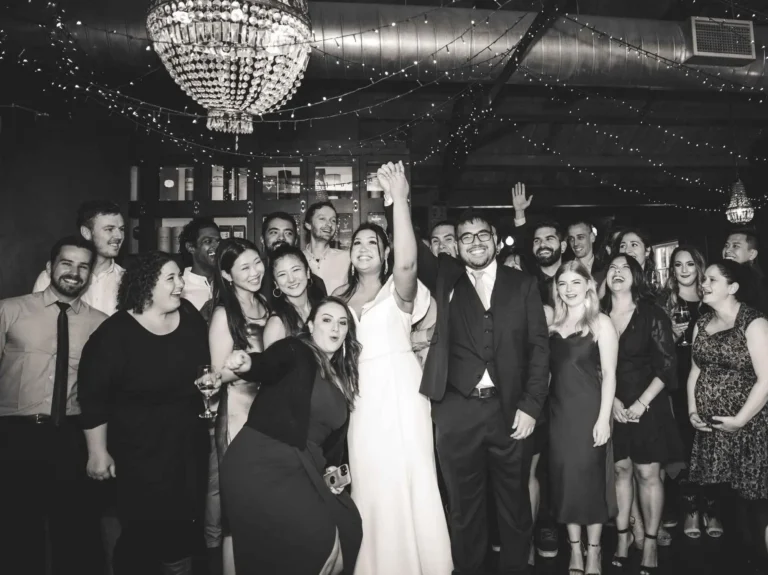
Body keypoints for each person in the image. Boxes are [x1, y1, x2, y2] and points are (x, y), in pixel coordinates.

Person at [417, 201, 550, 574]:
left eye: (481, 235)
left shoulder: (523, 285)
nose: (475, 242)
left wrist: (531, 406)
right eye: (465, 238)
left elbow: (539, 348)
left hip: (510, 412)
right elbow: (411, 254)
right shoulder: (445, 276)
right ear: (455, 247)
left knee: (515, 506)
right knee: (464, 509)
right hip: (457, 412)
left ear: (494, 239)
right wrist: (397, 199)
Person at [333, 162, 452, 575]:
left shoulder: (399, 290)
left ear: (384, 252)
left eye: (372, 243)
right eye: (356, 243)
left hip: (403, 394)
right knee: (370, 480)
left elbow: (407, 263)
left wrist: (400, 199)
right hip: (360, 400)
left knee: (412, 476)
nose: (363, 247)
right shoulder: (337, 298)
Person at [78, 251, 210, 575]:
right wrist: (97, 452)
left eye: (180, 276)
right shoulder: (113, 335)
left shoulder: (190, 316)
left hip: (187, 446)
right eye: (172, 278)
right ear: (147, 285)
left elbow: (202, 366)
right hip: (137, 452)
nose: (181, 284)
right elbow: (92, 397)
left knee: (184, 526)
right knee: (142, 531)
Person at [219, 297, 364, 574]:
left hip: (304, 464)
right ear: (310, 325)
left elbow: (332, 439)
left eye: (342, 322)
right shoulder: (297, 350)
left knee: (347, 528)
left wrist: (332, 469)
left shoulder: (341, 376)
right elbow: (271, 363)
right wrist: (247, 362)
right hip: (263, 458)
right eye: (326, 319)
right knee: (317, 542)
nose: (335, 327)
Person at [0, 236, 106, 575]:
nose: (74, 272)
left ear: (89, 274)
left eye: (83, 266)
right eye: (66, 263)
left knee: (75, 533)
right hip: (14, 436)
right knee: (16, 531)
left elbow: (101, 390)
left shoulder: (101, 324)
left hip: (71, 437)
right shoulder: (9, 310)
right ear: (49, 268)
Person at [602, 254, 683, 575]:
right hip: (613, 407)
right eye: (611, 269)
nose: (617, 272)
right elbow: (592, 367)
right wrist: (612, 404)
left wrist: (639, 403)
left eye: (624, 268)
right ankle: (623, 539)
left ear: (636, 276)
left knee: (648, 475)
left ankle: (649, 542)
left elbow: (667, 366)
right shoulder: (598, 316)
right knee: (620, 473)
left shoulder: (652, 314)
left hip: (649, 406)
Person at [687, 260, 768, 567]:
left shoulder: (754, 322)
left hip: (751, 426)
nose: (703, 283)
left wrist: (739, 421)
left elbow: (766, 379)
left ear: (732, 288)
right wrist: (693, 409)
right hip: (714, 429)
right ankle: (739, 561)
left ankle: (759, 562)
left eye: (712, 279)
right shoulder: (703, 322)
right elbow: (695, 371)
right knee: (726, 499)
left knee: (755, 500)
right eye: (703, 278)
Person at [546, 261, 618, 575]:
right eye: (563, 283)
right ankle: (575, 550)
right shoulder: (551, 323)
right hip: (558, 416)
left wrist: (603, 420)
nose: (570, 289)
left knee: (590, 482)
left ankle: (595, 552)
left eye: (576, 282)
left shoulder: (601, 322)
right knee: (565, 482)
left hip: (591, 412)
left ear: (588, 285)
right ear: (557, 289)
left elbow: (611, 376)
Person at [207, 238, 270, 575]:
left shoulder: (266, 303)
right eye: (244, 268)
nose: (255, 271)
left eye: (256, 262)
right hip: (238, 414)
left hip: (269, 413)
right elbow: (218, 373)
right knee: (238, 508)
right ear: (228, 275)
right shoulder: (224, 312)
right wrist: (252, 364)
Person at [510, 182, 564, 561]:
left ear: (562, 243)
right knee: (529, 463)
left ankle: (552, 525)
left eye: (550, 238)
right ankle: (529, 533)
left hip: (570, 384)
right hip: (532, 385)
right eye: (537, 239)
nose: (542, 244)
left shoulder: (576, 276)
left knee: (559, 463)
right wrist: (519, 217)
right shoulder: (526, 277)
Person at [656, 246, 717, 539]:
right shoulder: (664, 302)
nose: (683, 270)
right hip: (677, 382)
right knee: (685, 446)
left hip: (711, 381)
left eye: (689, 264)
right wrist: (673, 336)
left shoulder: (712, 301)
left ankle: (711, 507)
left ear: (699, 267)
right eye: (678, 264)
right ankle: (691, 507)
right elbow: (653, 350)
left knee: (711, 445)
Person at [33, 200, 125, 316]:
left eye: (121, 229)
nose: (119, 236)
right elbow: (37, 323)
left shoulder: (128, 280)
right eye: (109, 229)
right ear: (86, 233)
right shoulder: (51, 277)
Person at [260, 211, 327, 306]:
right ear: (262, 239)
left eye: (288, 233)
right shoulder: (256, 281)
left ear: (295, 241)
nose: (281, 238)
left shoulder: (316, 283)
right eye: (274, 232)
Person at [263, 244, 321, 348]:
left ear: (307, 272)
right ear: (276, 283)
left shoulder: (320, 307)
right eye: (282, 274)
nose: (291, 279)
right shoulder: (277, 324)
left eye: (295, 270)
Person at [304, 201, 351, 295]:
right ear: (308, 225)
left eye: (333, 220)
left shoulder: (347, 258)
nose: (329, 224)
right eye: (322, 219)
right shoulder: (297, 259)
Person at [179, 217, 221, 313]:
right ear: (191, 247)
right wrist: (199, 318)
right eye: (208, 241)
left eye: (218, 241)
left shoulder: (228, 283)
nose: (217, 246)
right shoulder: (179, 288)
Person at [723, 228, 767, 313]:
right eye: (726, 245)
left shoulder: (757, 282)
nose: (727, 250)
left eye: (735, 246)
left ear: (752, 254)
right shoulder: (725, 274)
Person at [568, 220, 606, 287]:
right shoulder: (565, 268)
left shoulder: (604, 270)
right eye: (571, 239)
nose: (575, 243)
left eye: (580, 237)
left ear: (592, 237)